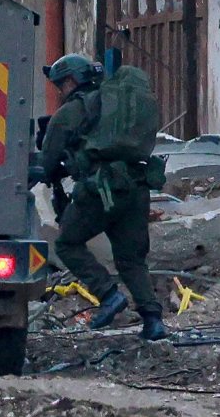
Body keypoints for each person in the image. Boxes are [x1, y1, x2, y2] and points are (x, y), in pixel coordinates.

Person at [32, 54, 168, 341]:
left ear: (71, 81)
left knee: (68, 244)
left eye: (61, 85)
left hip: (99, 191)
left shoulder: (72, 111)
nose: (59, 92)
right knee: (131, 259)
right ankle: (153, 320)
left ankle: (108, 295)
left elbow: (47, 161)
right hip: (136, 188)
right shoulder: (117, 109)